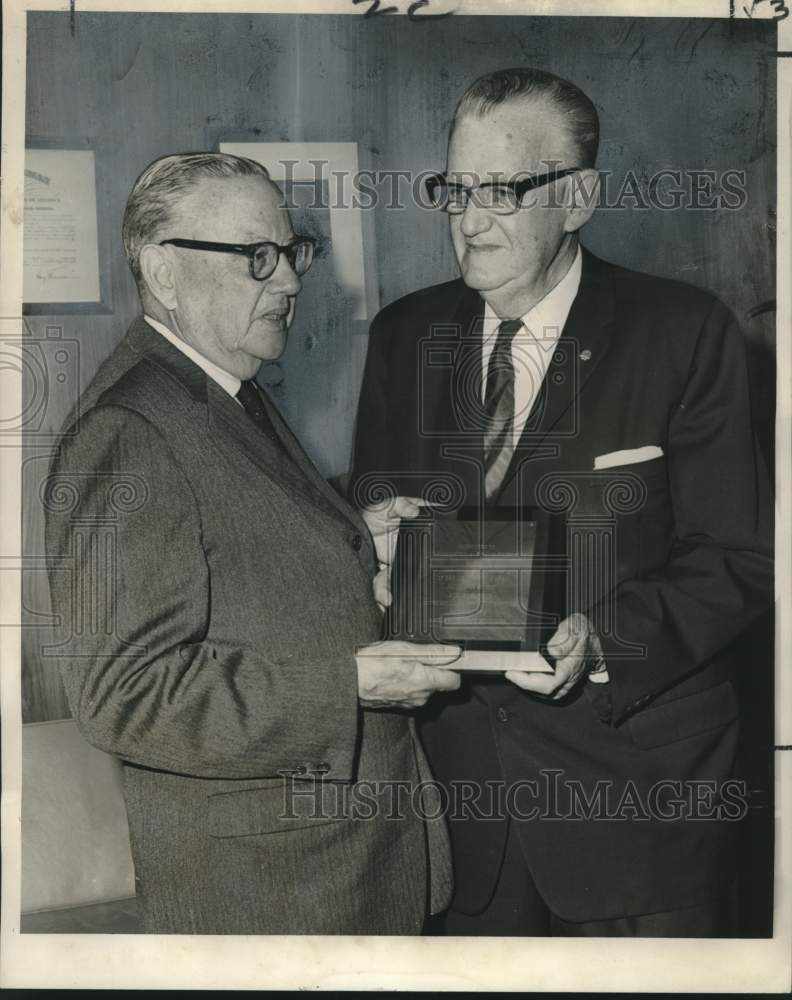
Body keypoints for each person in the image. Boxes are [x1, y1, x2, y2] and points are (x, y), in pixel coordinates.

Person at [351, 68, 773, 936]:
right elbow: (378, 531)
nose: (469, 221)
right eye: (455, 190)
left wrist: (601, 638)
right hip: (462, 809)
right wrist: (369, 549)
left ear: (578, 197)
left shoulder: (684, 331)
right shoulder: (403, 334)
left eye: (502, 191)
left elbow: (740, 556)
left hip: (640, 809)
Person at [44, 152, 462, 935]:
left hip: (336, 866)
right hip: (274, 895)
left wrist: (353, 546)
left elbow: (235, 553)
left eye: (291, 252)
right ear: (164, 273)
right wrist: (350, 687)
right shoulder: (127, 432)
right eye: (255, 258)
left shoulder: (221, 389)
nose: (293, 282)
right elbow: (124, 695)